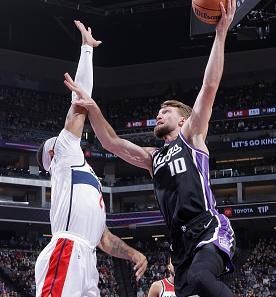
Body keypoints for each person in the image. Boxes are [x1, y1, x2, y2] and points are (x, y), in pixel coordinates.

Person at [64, 1, 236, 296]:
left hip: (208, 229)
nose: (159, 114)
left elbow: (209, 87)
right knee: (194, 283)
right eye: (158, 111)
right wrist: (92, 109)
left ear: (182, 119)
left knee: (201, 278)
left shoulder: (191, 137)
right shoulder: (153, 158)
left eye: (165, 111)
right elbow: (112, 143)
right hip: (180, 244)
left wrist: (220, 34)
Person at [34, 21, 147, 297]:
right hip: (67, 250)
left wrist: (133, 254)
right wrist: (87, 49)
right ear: (52, 152)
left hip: (87, 257)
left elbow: (104, 238)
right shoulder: (64, 153)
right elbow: (79, 106)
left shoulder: (90, 179)